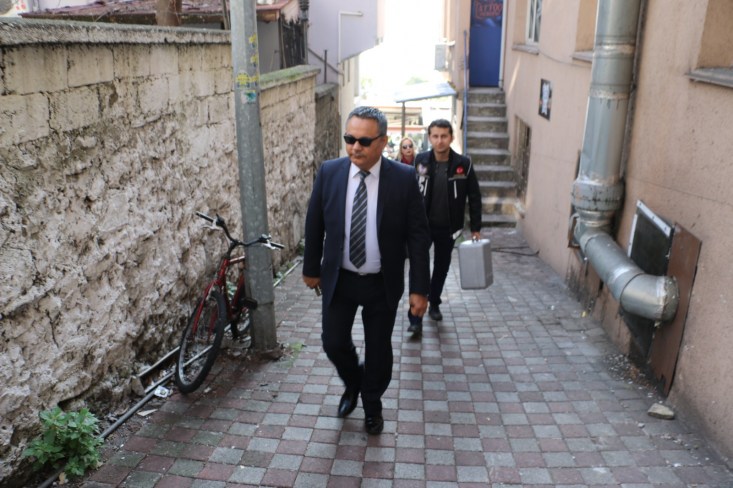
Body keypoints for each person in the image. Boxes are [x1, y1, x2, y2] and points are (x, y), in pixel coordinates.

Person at [302, 106, 431, 435]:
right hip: (340, 279)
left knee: (378, 350)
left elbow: (418, 237)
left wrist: (420, 289)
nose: (355, 147)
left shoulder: (402, 179)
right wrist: (311, 267)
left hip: (381, 282)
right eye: (349, 139)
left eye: (363, 141)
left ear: (383, 142)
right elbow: (314, 222)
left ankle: (372, 404)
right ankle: (353, 382)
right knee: (333, 342)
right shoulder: (330, 172)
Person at [407, 118, 482, 334]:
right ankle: (415, 317)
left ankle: (434, 302)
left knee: (441, 267)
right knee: (418, 268)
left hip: (448, 228)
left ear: (451, 137)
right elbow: (409, 192)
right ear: (429, 137)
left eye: (444, 136)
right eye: (435, 136)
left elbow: (474, 197)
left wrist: (475, 228)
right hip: (422, 227)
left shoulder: (463, 164)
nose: (439, 141)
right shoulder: (420, 161)